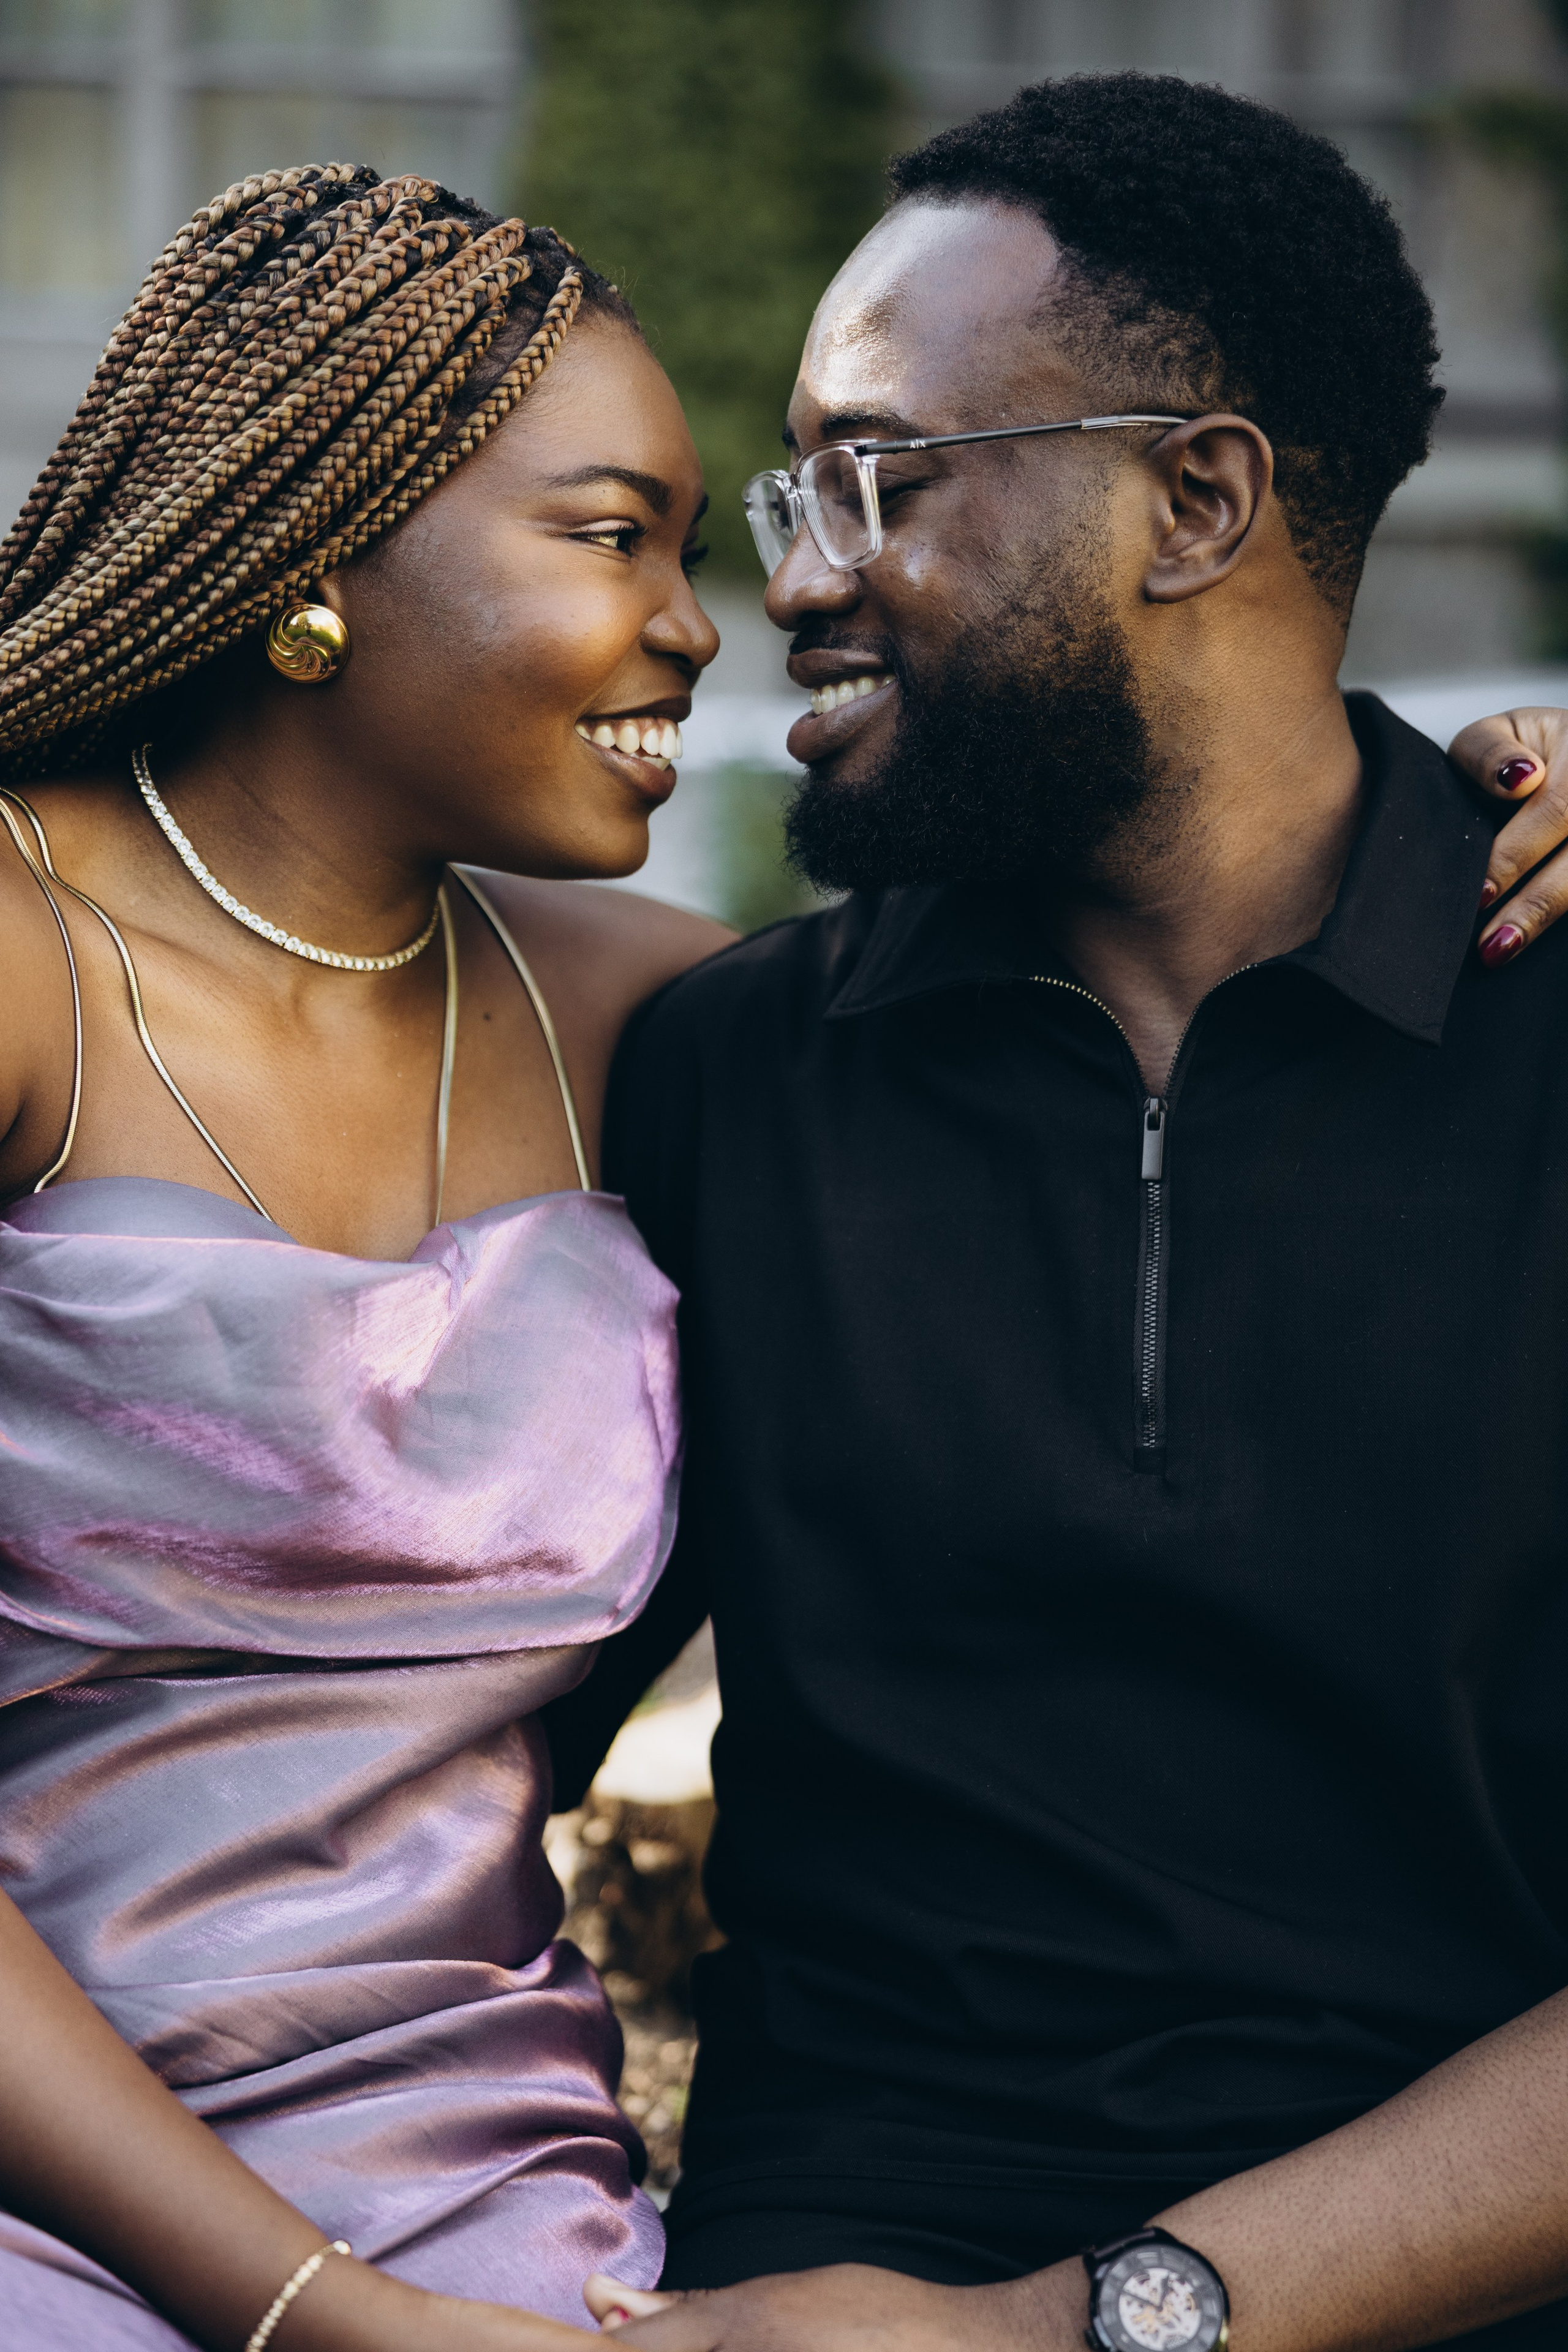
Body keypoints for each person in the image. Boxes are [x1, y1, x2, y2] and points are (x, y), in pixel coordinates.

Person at [538, 75, 1568, 2352]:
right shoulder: (719, 1079)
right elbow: (403, 1743)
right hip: (811, 2296)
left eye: (879, 477)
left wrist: (1078, 2329)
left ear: (1197, 498)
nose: (789, 580)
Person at [0, 165, 733, 2348]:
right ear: (321, 552)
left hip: (507, 2196)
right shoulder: (26, 958)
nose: (693, 622)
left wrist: (1489, 803)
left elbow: (1157, 1003)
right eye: (615, 537)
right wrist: (322, 2316)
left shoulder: (649, 1020)